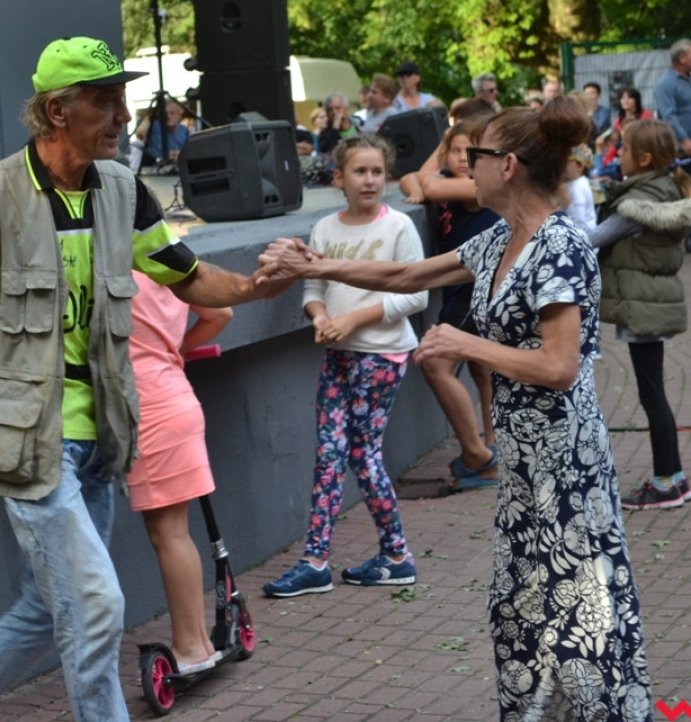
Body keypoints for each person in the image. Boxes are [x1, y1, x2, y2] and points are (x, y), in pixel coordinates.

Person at [0, 36, 286, 722]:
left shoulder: (121, 190)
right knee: (98, 604)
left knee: (44, 605)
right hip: (28, 441)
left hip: (102, 434)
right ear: (57, 111)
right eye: (106, 102)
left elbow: (191, 276)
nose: (123, 115)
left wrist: (260, 285)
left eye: (123, 100)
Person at [257, 97, 653, 720]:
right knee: (521, 615)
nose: (467, 163)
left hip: (568, 473)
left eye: (479, 155)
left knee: (582, 624)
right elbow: (409, 277)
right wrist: (319, 263)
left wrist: (469, 343)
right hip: (525, 471)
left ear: (511, 165)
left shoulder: (560, 246)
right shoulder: (500, 239)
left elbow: (560, 366)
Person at [261, 133, 427, 598]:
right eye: (360, 171)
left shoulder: (398, 228)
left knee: (362, 453)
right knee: (329, 454)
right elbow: (313, 290)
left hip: (381, 356)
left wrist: (353, 318)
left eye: (377, 171)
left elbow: (416, 294)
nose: (370, 180)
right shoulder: (325, 230)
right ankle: (316, 562)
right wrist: (322, 320)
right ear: (339, 178)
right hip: (338, 356)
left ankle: (397, 555)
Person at [126, 271, 231, 674]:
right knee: (176, 531)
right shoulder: (167, 264)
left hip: (149, 411)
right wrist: (176, 349)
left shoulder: (111, 268)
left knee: (167, 533)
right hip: (176, 399)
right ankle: (198, 641)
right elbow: (220, 312)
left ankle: (191, 646)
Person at [588, 119, 691, 510]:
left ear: (644, 158)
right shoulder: (662, 188)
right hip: (651, 303)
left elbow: (592, 238)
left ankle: (667, 482)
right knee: (655, 394)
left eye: (624, 149)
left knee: (653, 397)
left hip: (644, 307)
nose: (619, 156)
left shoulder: (637, 204)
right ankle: (675, 478)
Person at [400, 119, 500, 490]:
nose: (460, 158)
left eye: (468, 152)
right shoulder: (454, 182)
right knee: (481, 369)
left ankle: (477, 453)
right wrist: (438, 149)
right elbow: (411, 180)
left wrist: (424, 181)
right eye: (454, 151)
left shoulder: (475, 186)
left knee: (436, 361)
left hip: (475, 291)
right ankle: (492, 445)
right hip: (461, 291)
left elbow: (428, 183)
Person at [654, 38, 691, 157]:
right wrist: (684, 140)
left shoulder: (687, 80)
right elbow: (668, 116)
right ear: (682, 58)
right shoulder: (666, 84)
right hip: (683, 148)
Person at [136, 98, 190, 165]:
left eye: (172, 113)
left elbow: (189, 149)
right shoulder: (153, 127)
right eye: (165, 113)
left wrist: (180, 154)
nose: (168, 116)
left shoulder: (184, 130)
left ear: (179, 115)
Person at [563, 143, 597, 238]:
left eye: (568, 162)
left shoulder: (577, 187)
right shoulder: (579, 182)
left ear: (580, 166)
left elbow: (578, 223)